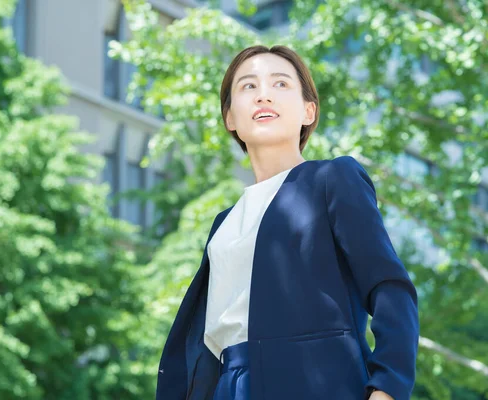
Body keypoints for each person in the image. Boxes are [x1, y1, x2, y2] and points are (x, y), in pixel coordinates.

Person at [156, 44, 419, 400]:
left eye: (280, 84)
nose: (263, 95)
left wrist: (387, 388)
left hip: (315, 384)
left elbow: (390, 288)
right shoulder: (224, 223)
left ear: (308, 111)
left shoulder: (332, 179)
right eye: (248, 87)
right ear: (230, 117)